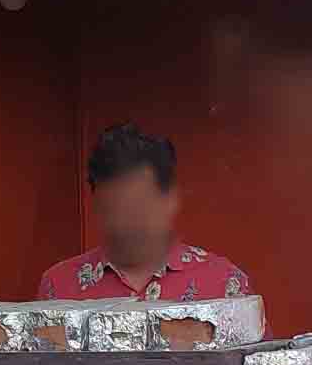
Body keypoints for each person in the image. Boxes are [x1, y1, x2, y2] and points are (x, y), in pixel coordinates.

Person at [38, 123, 255, 304]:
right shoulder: (59, 287)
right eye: (114, 205)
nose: (126, 221)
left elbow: (258, 357)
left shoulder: (224, 284)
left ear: (168, 200)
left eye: (139, 203)